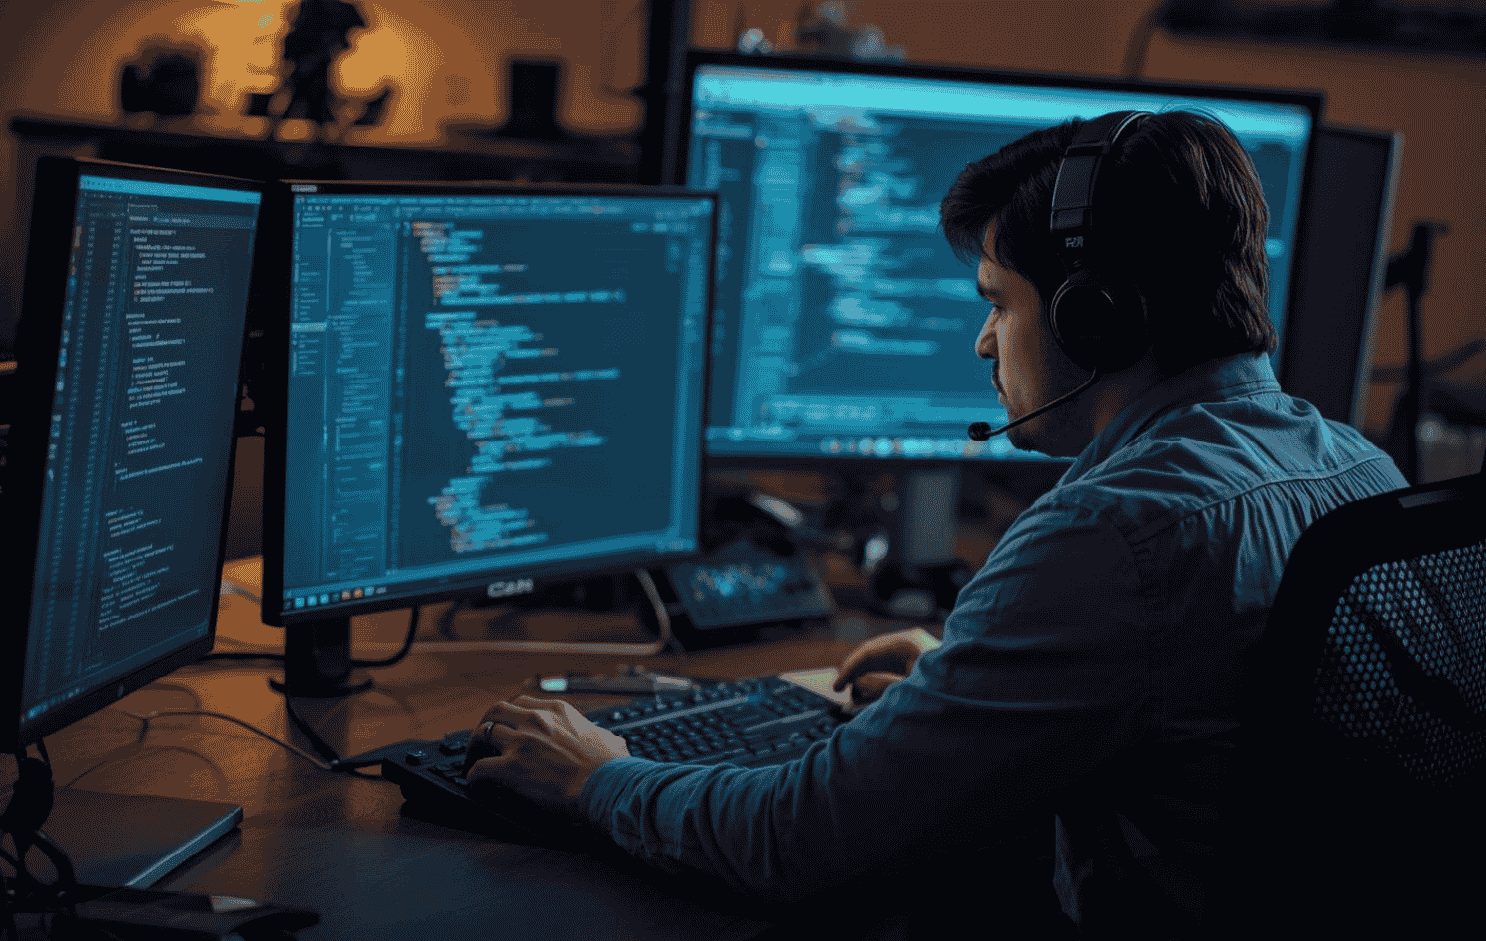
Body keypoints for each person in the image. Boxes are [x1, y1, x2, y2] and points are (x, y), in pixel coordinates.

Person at [466, 111, 1408, 934]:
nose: (982, 340)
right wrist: (968, 691)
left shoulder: (1112, 535)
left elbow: (798, 839)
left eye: (999, 301)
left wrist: (597, 776)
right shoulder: (1362, 468)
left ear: (1097, 316)